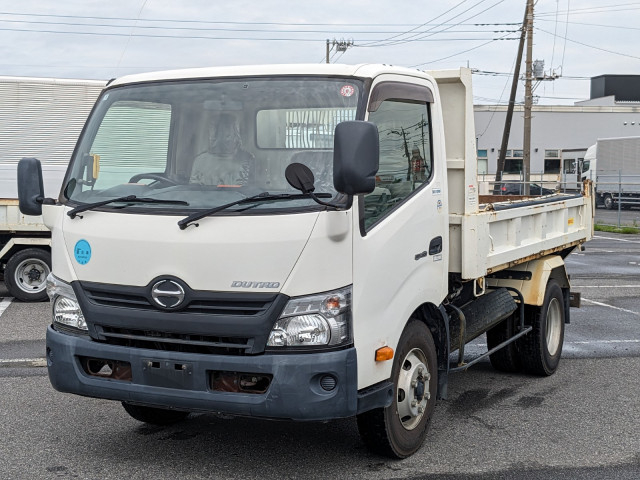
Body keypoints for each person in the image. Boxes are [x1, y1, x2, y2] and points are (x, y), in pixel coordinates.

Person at [190, 113, 254, 186]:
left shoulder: (247, 159)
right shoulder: (199, 161)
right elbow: (194, 191)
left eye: (227, 135)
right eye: (215, 134)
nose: (219, 138)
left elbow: (251, 192)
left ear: (235, 134)